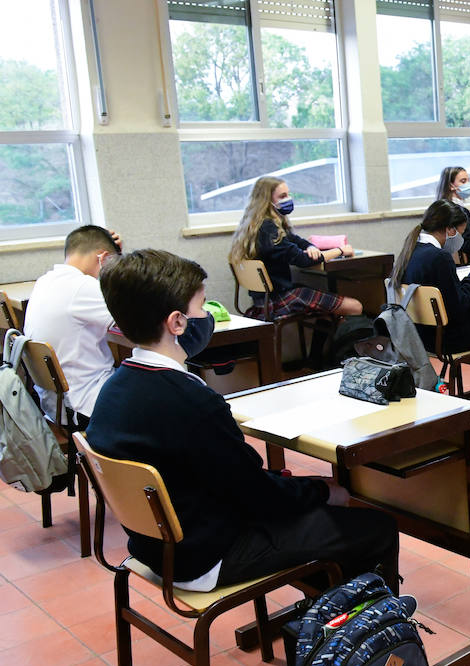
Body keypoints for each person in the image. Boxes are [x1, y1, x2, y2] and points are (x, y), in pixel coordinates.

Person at [85, 249, 399, 592]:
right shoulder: (192, 400)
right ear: (176, 322)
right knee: (374, 526)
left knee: (306, 507)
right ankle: (363, 635)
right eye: (202, 307)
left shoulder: (114, 388)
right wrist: (321, 490)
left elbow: (229, 479)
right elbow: (257, 496)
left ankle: (322, 610)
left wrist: (290, 486)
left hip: (154, 549)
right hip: (205, 556)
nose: (206, 316)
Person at [22, 224, 122, 423]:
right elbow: (139, 322)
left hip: (56, 406)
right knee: (159, 384)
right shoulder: (84, 287)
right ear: (102, 258)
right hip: (86, 404)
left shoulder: (45, 281)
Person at [228, 176, 364, 319]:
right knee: (355, 306)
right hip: (278, 299)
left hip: (264, 300)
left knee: (329, 311)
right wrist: (341, 251)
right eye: (283, 196)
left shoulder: (260, 225)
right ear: (266, 201)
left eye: (288, 194)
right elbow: (302, 260)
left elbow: (297, 241)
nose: (288, 199)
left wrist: (311, 246)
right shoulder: (268, 229)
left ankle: (328, 340)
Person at [393, 200, 470, 353]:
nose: (462, 239)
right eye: (462, 233)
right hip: (446, 339)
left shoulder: (411, 250)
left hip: (418, 335)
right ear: (450, 230)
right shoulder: (440, 257)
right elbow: (459, 306)